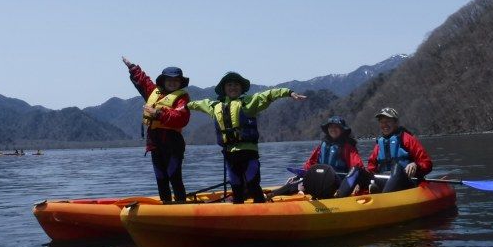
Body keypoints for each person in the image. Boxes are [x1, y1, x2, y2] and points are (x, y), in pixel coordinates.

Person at [187, 72, 306, 204]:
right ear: (224, 89)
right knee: (236, 186)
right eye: (229, 85)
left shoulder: (249, 103)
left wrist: (289, 92)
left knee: (253, 184)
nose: (233, 87)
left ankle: (261, 208)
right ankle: (238, 211)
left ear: (241, 88)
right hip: (229, 154)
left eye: (236, 85)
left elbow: (269, 94)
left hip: (248, 153)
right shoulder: (214, 107)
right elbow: (198, 104)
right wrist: (184, 106)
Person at [122, 56, 191, 203]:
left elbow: (181, 118)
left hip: (173, 145)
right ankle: (166, 205)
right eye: (169, 80)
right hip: (155, 144)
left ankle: (181, 206)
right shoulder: (154, 92)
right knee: (161, 178)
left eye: (176, 80)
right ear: (163, 81)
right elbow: (143, 81)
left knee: (174, 176)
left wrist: (158, 113)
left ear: (180, 83)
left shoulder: (182, 99)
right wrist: (133, 68)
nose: (172, 83)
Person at [269, 115, 364, 199]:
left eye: (336, 127)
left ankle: (339, 196)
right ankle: (270, 195)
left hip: (338, 183)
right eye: (330, 127)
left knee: (356, 170)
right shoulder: (322, 146)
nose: (333, 129)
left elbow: (357, 167)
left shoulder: (347, 147)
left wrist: (356, 183)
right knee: (297, 181)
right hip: (321, 180)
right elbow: (310, 164)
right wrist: (299, 176)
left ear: (342, 130)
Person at [366, 107, 433, 193]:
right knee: (357, 170)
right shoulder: (379, 144)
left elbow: (427, 163)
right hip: (385, 181)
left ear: (396, 122)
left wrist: (416, 165)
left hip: (406, 182)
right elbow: (371, 167)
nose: (384, 125)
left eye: (388, 121)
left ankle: (383, 199)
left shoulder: (407, 139)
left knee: (397, 167)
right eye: (382, 122)